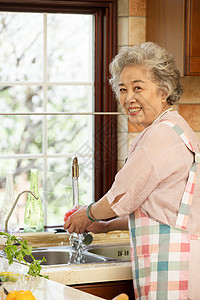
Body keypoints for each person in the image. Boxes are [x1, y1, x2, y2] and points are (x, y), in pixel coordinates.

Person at [64, 42, 200, 300]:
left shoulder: (159, 136)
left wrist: (88, 214)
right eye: (123, 89)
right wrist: (105, 226)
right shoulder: (178, 129)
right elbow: (161, 212)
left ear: (164, 91)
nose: (128, 98)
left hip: (172, 273)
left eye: (138, 87)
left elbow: (119, 198)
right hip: (186, 265)